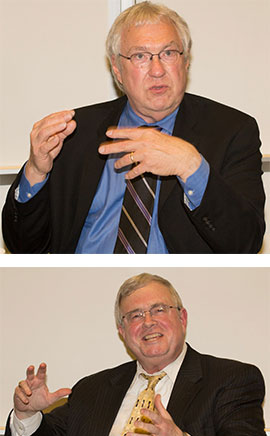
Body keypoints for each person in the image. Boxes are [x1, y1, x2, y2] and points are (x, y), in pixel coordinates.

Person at [4, 272, 268, 436]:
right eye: (135, 316)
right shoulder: (93, 389)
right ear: (122, 330)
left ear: (182, 318)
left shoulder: (231, 378)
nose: (148, 322)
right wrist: (27, 415)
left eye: (159, 309)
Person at [2, 2, 265, 254]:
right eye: (141, 56)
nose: (158, 70)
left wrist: (191, 167)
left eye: (169, 53)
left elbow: (245, 243)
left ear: (186, 62)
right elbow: (24, 246)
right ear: (117, 69)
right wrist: (36, 171)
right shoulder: (73, 133)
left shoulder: (232, 131)